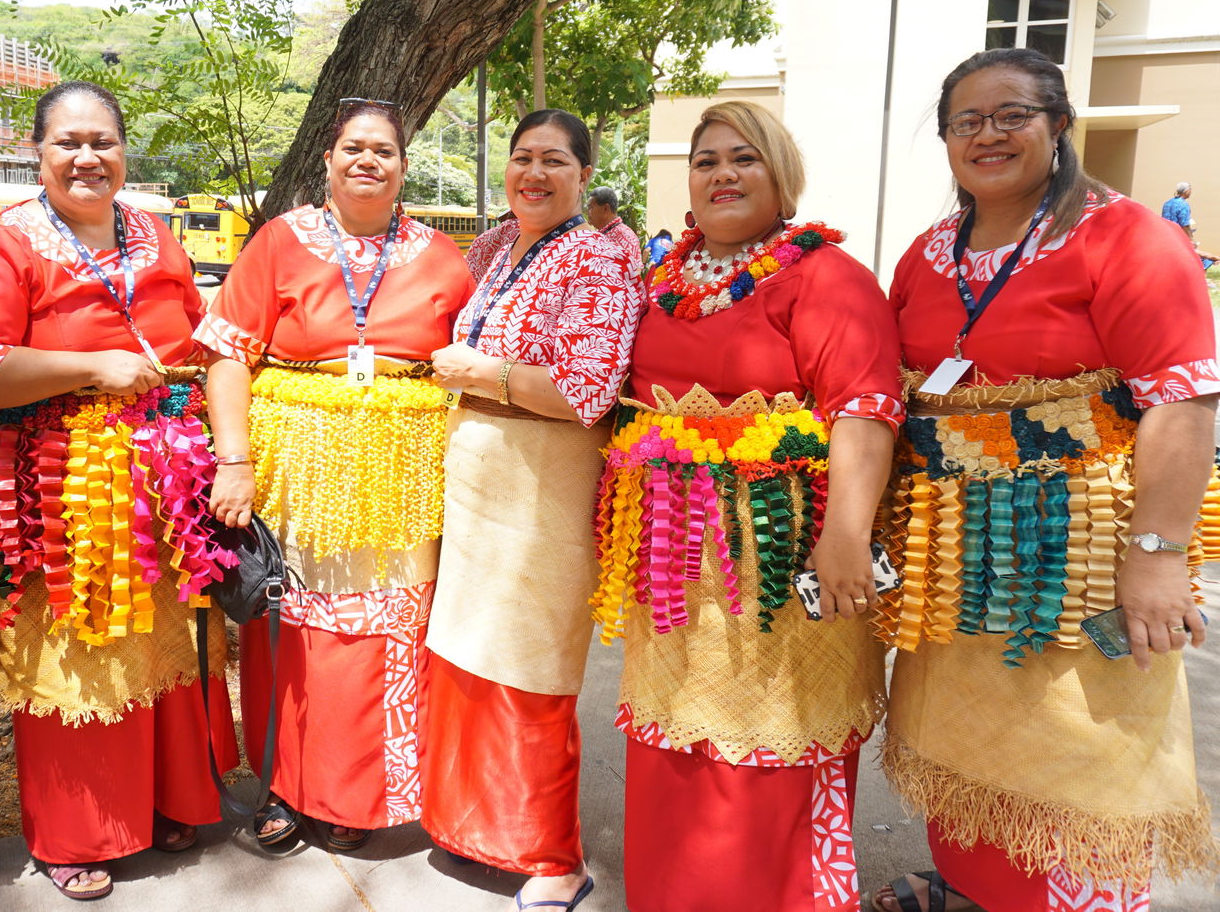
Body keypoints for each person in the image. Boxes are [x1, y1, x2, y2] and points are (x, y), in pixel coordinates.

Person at [873, 47, 1220, 912]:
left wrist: (1157, 555)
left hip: (1081, 560)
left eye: (1011, 115)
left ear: (1058, 125)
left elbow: (1182, 400)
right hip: (952, 558)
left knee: (1078, 750)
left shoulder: (1129, 236)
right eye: (966, 121)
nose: (987, 135)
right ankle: (971, 888)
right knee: (964, 745)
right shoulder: (925, 254)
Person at [0, 81, 237, 901]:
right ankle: (78, 832)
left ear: (124, 150)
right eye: (68, 142)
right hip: (63, 484)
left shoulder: (155, 234)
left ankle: (169, 799)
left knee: (164, 643)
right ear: (38, 151)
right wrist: (91, 367)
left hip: (165, 476)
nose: (87, 157)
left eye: (102, 141)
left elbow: (197, 334)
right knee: (78, 648)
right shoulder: (3, 244)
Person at [590, 100, 902, 912]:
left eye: (744, 159)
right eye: (706, 162)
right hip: (669, 558)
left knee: (773, 743)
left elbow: (865, 410)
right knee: (676, 744)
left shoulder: (828, 277)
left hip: (779, 558)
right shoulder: (661, 279)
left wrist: (845, 538)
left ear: (781, 175)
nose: (722, 174)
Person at [199, 97, 473, 852]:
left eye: (383, 150)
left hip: (403, 483)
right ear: (326, 159)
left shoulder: (442, 256)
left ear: (404, 167)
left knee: (386, 633)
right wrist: (234, 460)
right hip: (297, 472)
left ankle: (369, 795)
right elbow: (226, 351)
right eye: (353, 147)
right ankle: (285, 786)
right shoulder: (281, 241)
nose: (367, 161)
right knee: (293, 630)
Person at [424, 109, 644, 911]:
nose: (535, 174)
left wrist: (479, 372)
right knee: (468, 649)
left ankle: (555, 857)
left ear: (586, 173)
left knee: (533, 666)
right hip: (480, 474)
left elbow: (586, 391)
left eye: (555, 160)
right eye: (522, 158)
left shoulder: (599, 256)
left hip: (544, 480)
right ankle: (475, 829)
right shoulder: (491, 247)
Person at [585, 185, 643, 279]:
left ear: (605, 209)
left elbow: (632, 275)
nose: (588, 212)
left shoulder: (624, 236)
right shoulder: (603, 233)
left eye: (591, 207)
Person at [1160, 181, 1216, 269]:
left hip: (1166, 237)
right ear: (1186, 191)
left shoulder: (1167, 204)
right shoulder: (1183, 204)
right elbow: (1185, 225)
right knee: (1200, 261)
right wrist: (1191, 240)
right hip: (1179, 238)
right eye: (1190, 189)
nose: (1191, 192)